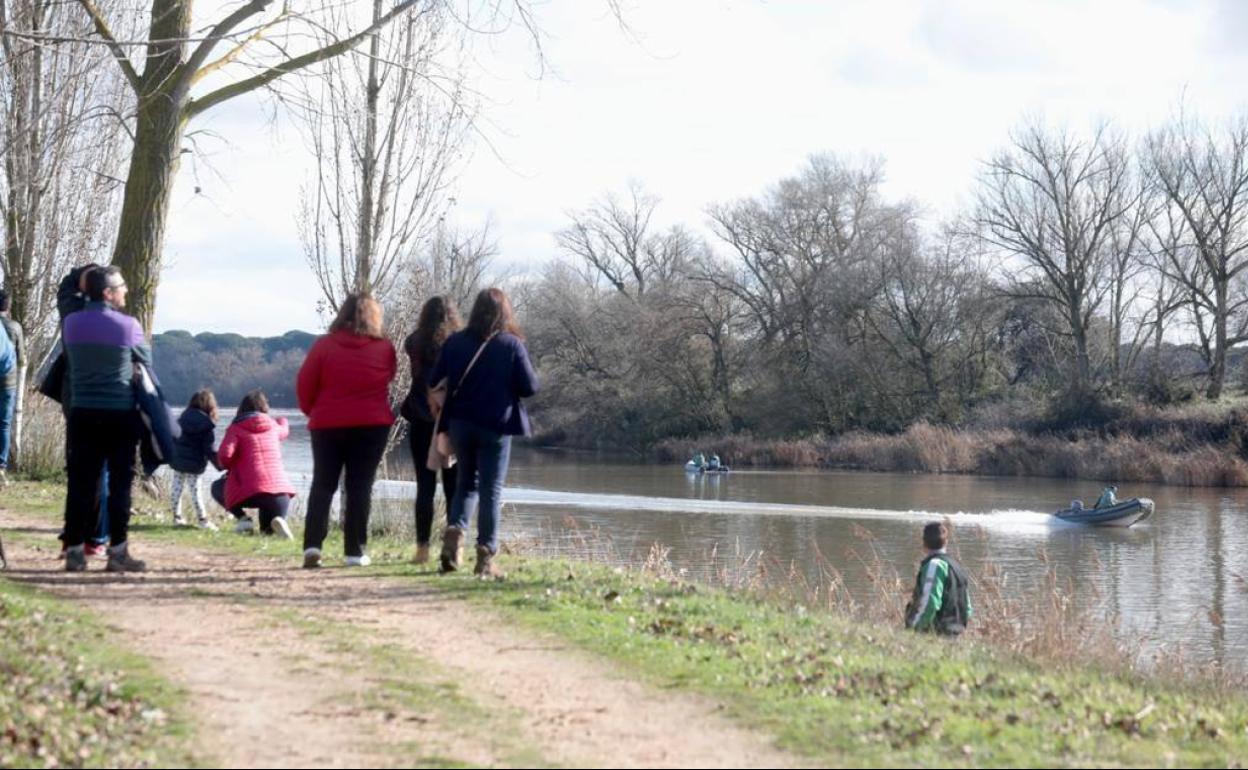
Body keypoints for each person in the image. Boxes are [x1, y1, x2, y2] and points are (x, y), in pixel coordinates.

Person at [429, 287, 539, 578]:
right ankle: (486, 557)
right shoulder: (511, 345)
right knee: (491, 489)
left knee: (466, 483)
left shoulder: (454, 342)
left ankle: (455, 530)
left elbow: (434, 378)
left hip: (461, 423)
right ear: (505, 313)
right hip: (496, 426)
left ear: (475, 310)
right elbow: (530, 387)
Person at [297, 293, 396, 569]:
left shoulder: (323, 346)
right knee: (360, 486)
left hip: (328, 424)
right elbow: (389, 377)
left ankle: (313, 545)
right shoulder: (385, 348)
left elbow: (305, 384)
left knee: (323, 484)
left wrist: (314, 412)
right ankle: (354, 551)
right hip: (372, 425)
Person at [61, 267, 148, 572]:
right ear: (108, 293)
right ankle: (118, 551)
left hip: (82, 412)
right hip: (120, 414)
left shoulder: (71, 324)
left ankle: (73, 551)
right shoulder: (129, 326)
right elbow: (145, 359)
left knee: (81, 484)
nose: (126, 291)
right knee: (121, 484)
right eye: (121, 287)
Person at [402, 296, 461, 565]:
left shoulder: (414, 342)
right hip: (449, 422)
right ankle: (452, 549)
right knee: (453, 487)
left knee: (424, 486)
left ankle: (422, 549)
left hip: (420, 419)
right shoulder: (459, 342)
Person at [213, 389, 296, 538]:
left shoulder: (236, 428)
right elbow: (285, 429)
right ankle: (279, 520)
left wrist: (234, 467)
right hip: (280, 494)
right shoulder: (273, 427)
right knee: (266, 533)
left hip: (250, 492)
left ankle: (244, 520)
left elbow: (224, 457)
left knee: (216, 487)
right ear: (265, 408)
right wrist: (283, 419)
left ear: (241, 409)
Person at [905, 521, 972, 636]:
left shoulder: (934, 565)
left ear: (924, 543)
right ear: (946, 542)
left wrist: (913, 629)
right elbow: (968, 608)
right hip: (955, 634)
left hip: (935, 634)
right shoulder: (957, 566)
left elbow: (930, 603)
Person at [169, 389, 221, 530]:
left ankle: (176, 517)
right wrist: (220, 465)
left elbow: (173, 438)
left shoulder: (182, 418)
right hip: (195, 464)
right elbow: (210, 450)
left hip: (178, 460)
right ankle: (203, 520)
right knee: (195, 491)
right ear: (210, 405)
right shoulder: (207, 425)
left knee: (176, 488)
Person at [0, 288, 21, 488]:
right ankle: (1, 465)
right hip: (8, 381)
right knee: (4, 424)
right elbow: (21, 358)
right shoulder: (15, 327)